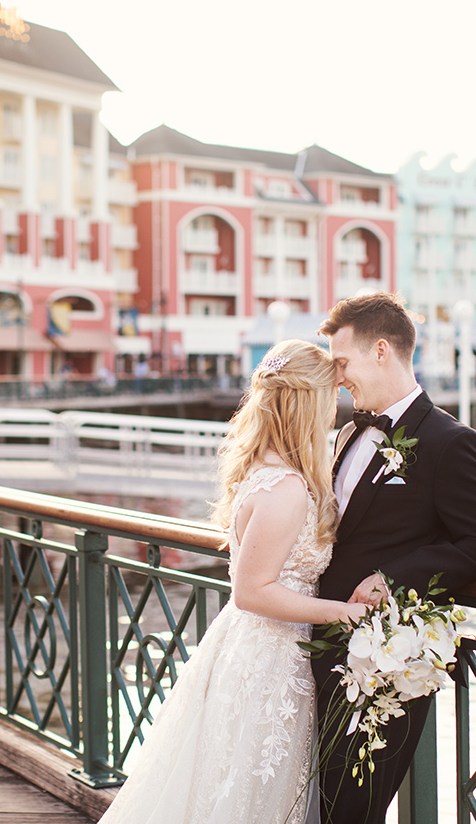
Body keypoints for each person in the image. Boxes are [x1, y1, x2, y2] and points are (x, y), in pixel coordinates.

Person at [99, 339, 367, 824]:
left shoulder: (265, 471)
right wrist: (342, 612)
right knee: (252, 794)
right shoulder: (285, 488)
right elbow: (252, 592)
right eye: (330, 398)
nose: (335, 409)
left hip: (254, 650)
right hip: (271, 659)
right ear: (306, 403)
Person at [316, 292, 476, 824]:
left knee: (352, 811)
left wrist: (392, 577)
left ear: (381, 350)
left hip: (382, 665)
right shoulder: (348, 431)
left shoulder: (451, 442)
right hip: (317, 648)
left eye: (342, 363)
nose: (338, 379)